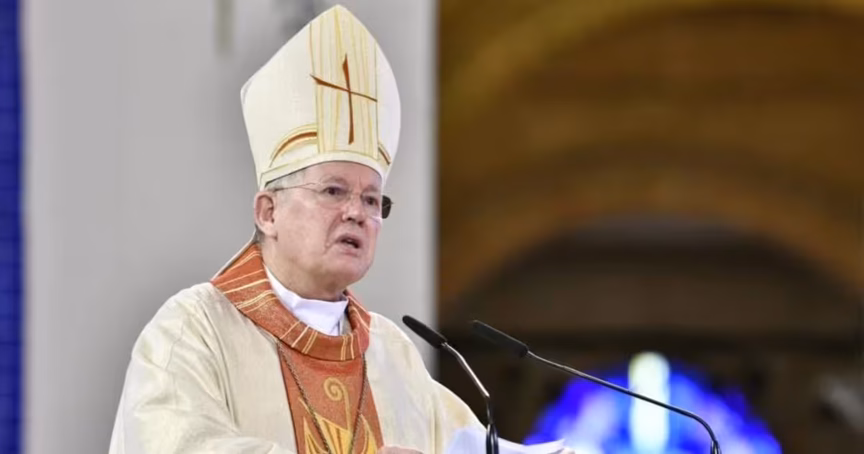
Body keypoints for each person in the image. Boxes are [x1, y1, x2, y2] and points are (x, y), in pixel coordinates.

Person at [108, 5, 482, 453]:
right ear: (268, 212)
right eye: (333, 191)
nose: (356, 212)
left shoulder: (393, 356)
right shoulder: (194, 330)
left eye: (371, 199)